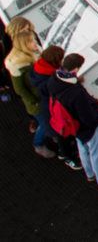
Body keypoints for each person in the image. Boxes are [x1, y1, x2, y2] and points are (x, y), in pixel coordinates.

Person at [49, 53, 98, 190]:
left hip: (74, 126)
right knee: (97, 153)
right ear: (75, 69)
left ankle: (90, 174)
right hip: (88, 127)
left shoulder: (54, 79)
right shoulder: (75, 93)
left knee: (83, 148)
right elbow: (88, 118)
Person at [4, 19, 51, 157]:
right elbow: (20, 89)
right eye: (26, 30)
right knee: (45, 123)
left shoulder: (31, 46)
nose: (30, 33)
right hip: (38, 99)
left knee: (46, 121)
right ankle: (38, 144)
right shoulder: (15, 61)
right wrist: (34, 101)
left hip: (43, 93)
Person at [29, 45, 81, 169]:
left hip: (49, 109)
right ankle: (67, 156)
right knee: (60, 134)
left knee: (56, 132)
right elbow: (56, 91)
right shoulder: (50, 78)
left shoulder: (39, 68)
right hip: (53, 112)